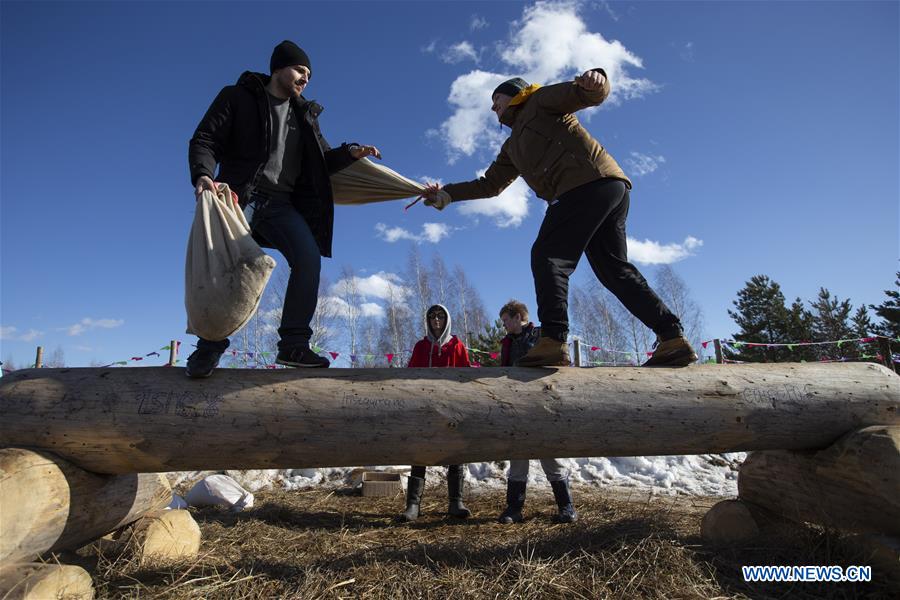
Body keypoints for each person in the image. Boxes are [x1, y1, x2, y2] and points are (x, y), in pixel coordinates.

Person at [420, 70, 697, 368]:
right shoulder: (512, 147)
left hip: (585, 185)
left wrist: (597, 81)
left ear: (515, 94)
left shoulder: (539, 100)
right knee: (614, 270)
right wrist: (446, 194)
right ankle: (672, 337)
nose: (492, 108)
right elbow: (489, 185)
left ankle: (553, 340)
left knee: (547, 255)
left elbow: (583, 93)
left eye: (496, 99)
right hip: (606, 188)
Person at [186, 40, 381, 377]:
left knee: (308, 259)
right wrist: (203, 174)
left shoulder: (304, 115)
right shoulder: (237, 97)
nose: (305, 79)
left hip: (281, 205)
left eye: (309, 75)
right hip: (238, 197)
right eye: (300, 71)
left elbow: (322, 160)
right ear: (278, 68)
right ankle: (210, 344)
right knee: (226, 265)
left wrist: (350, 152)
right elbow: (205, 138)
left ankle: (293, 344)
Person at [497, 300, 576, 523]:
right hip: (517, 407)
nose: (504, 325)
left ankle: (566, 507)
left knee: (550, 457)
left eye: (505, 320)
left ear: (516, 317)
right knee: (518, 459)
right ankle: (514, 508)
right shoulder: (506, 343)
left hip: (543, 405)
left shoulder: (542, 335)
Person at [400, 304, 472, 522]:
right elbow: (411, 375)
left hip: (452, 408)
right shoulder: (421, 347)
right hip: (424, 408)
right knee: (420, 453)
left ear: (447, 319)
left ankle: (455, 502)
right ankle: (413, 504)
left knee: (455, 454)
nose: (436, 320)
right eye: (432, 317)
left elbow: (465, 376)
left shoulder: (457, 346)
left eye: (440, 316)